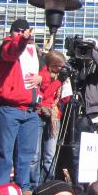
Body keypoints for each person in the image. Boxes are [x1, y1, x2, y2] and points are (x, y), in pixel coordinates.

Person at [0, 18, 43, 189]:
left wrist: (42, 78)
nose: (20, 33)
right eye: (17, 31)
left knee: (26, 155)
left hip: (30, 111)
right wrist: (22, 39)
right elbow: (12, 50)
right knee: (4, 153)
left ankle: (23, 189)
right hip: (10, 108)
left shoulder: (34, 53)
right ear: (11, 32)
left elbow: (48, 72)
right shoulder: (7, 46)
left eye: (24, 30)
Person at [34, 50, 66, 184]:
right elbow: (45, 94)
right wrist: (58, 82)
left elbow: (65, 99)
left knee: (50, 154)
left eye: (61, 66)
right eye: (57, 66)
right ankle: (34, 183)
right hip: (40, 113)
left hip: (54, 116)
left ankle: (47, 182)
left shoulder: (61, 77)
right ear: (50, 64)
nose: (59, 69)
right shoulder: (43, 75)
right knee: (35, 154)